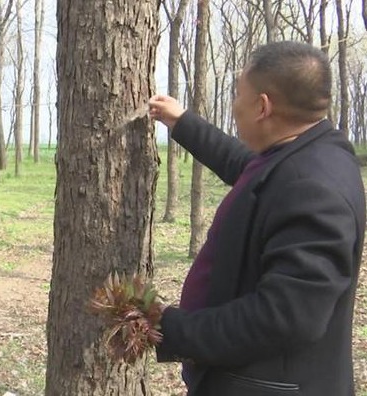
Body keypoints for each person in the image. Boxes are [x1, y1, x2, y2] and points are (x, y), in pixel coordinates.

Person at [149, 41, 365, 395]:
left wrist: (173, 328)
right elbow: (250, 170)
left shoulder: (312, 187)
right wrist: (182, 122)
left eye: (238, 96)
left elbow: (283, 318)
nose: (234, 106)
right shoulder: (309, 152)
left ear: (262, 106)